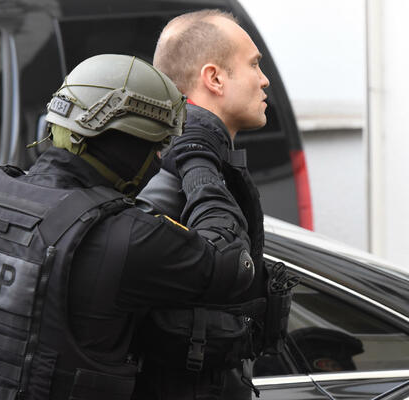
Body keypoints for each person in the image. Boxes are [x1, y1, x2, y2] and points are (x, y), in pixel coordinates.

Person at [0, 54, 256, 400]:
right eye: (157, 148)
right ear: (132, 148)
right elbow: (233, 263)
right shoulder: (126, 236)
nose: (157, 161)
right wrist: (198, 161)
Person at [134, 9, 283, 400]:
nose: (264, 80)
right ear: (214, 78)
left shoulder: (189, 161)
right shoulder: (173, 176)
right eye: (254, 64)